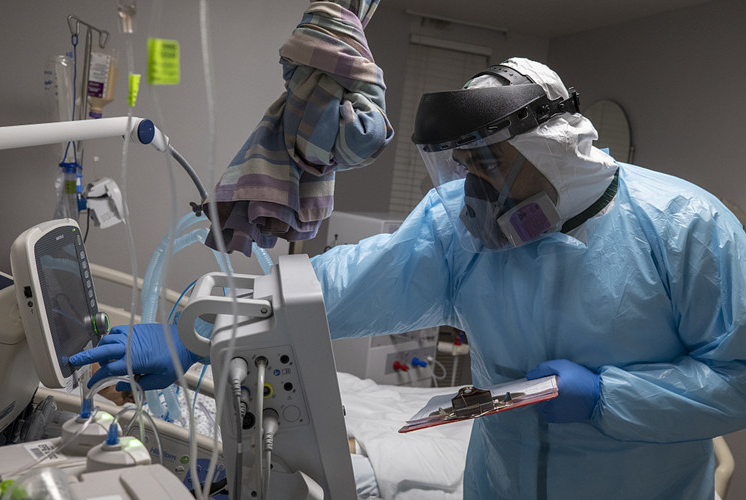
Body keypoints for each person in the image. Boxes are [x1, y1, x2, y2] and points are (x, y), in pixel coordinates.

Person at [71, 57, 746, 499]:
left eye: (489, 166)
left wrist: (606, 397)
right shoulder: (461, 229)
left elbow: (738, 380)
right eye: (464, 168)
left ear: (551, 151)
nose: (473, 190)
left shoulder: (685, 228)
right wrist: (201, 330)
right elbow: (338, 285)